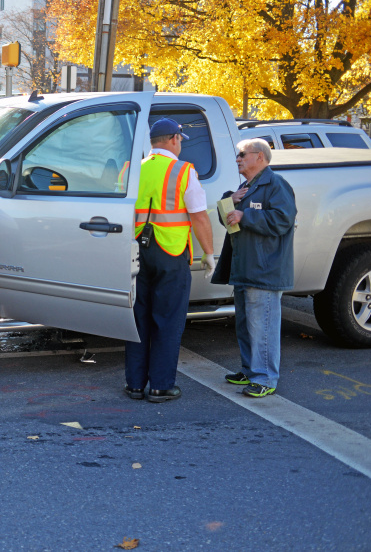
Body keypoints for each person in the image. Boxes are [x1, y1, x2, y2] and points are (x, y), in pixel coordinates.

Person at [125, 118, 216, 403]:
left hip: (136, 252)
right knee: (167, 320)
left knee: (137, 319)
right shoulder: (183, 171)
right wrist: (209, 253)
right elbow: (199, 216)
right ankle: (161, 386)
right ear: (174, 140)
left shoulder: (131, 169)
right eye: (179, 140)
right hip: (171, 253)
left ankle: (135, 385)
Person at [213, 138, 296, 397]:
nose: (238, 159)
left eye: (242, 155)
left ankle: (265, 378)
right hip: (244, 268)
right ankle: (250, 371)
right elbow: (228, 220)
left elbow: (283, 220)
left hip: (264, 271)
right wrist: (229, 200)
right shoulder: (245, 187)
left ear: (259, 157)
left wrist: (245, 215)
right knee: (247, 325)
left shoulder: (276, 185)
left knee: (263, 327)